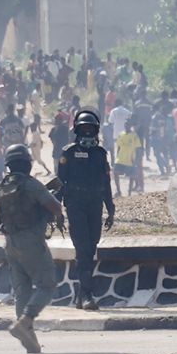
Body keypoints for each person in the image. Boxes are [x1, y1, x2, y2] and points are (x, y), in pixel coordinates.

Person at [0, 143, 65, 354]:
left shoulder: (2, 187)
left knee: (22, 289)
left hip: (10, 242)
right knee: (47, 284)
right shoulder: (31, 184)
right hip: (31, 240)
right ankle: (27, 320)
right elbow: (55, 207)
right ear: (27, 164)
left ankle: (28, 337)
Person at [57, 110, 116, 311]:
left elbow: (106, 183)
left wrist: (111, 208)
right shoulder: (69, 152)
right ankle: (88, 295)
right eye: (84, 128)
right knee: (82, 249)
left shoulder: (100, 154)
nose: (88, 132)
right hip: (75, 205)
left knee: (90, 249)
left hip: (95, 204)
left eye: (91, 129)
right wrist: (56, 210)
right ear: (77, 130)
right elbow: (59, 183)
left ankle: (82, 295)